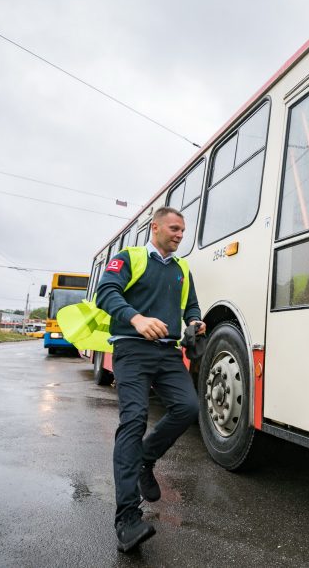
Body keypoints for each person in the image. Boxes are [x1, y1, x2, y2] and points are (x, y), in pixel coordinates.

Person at [94, 206, 205, 552]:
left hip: (169, 352)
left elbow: (192, 307)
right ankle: (128, 518)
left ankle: (146, 458)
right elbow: (106, 293)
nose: (179, 235)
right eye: (174, 228)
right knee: (134, 421)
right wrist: (136, 319)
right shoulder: (129, 257)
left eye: (183, 231)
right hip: (131, 348)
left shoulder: (183, 268)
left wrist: (194, 323)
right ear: (155, 227)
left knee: (188, 408)